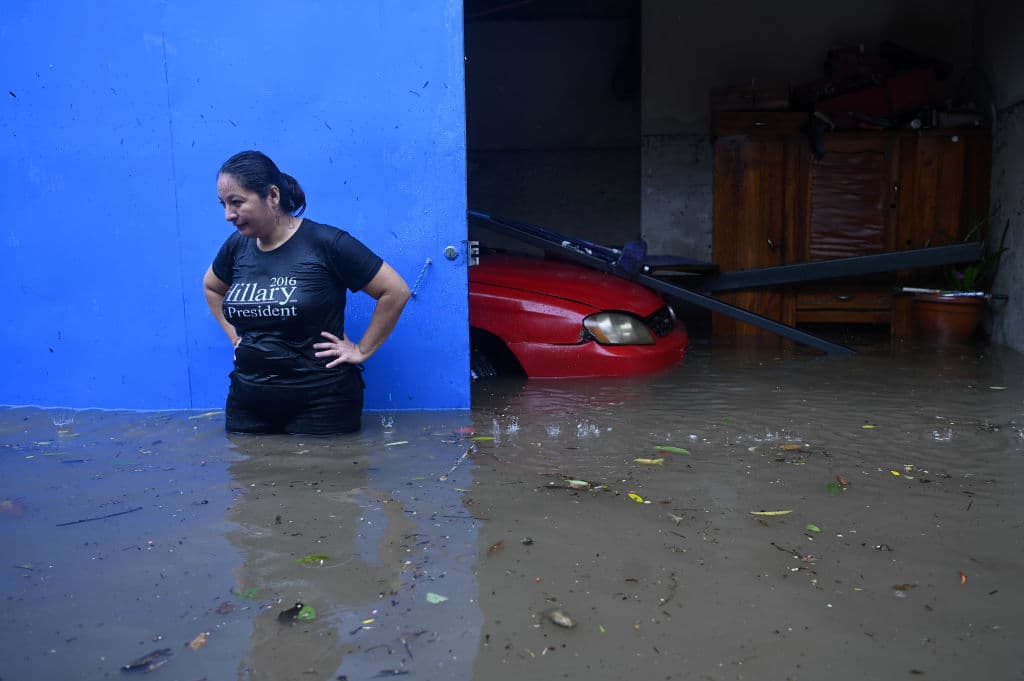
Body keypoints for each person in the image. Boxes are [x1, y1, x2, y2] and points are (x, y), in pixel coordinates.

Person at [203, 150, 410, 435]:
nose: (228, 215)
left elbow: (395, 291)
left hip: (322, 402)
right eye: (223, 204)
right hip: (247, 401)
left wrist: (362, 349)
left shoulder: (326, 243)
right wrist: (235, 338)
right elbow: (212, 287)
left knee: (324, 476)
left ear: (272, 196)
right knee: (246, 476)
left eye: (236, 202)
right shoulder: (236, 247)